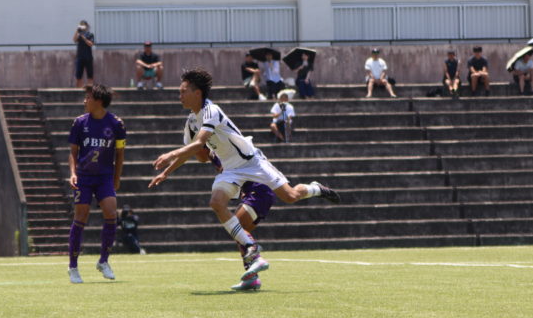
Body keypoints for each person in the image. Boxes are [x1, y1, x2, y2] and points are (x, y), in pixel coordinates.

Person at [148, 67, 340, 291]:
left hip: (252, 163)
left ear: (197, 93)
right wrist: (166, 172)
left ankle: (315, 188)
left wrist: (170, 154)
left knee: (290, 196)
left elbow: (199, 144)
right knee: (216, 203)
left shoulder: (211, 110)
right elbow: (193, 152)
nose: (179, 95)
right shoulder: (191, 122)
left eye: (183, 91)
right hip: (231, 170)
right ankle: (252, 251)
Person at [67, 84, 126, 283]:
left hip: (104, 177)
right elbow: (73, 152)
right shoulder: (79, 123)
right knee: (81, 217)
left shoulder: (116, 124)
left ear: (99, 101)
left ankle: (103, 261)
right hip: (83, 177)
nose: (85, 101)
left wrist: (116, 178)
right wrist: (73, 173)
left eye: (88, 97)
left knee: (111, 213)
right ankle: (73, 267)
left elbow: (120, 154)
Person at [199, 147, 275, 291]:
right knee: (239, 233)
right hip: (257, 191)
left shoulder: (222, 150)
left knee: (238, 228)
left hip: (259, 191)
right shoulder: (218, 152)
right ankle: (251, 278)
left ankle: (256, 260)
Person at [72, 20, 95, 89]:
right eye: (81, 25)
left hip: (88, 57)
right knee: (78, 76)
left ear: (87, 26)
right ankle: (78, 91)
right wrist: (77, 30)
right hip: (80, 57)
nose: (82, 27)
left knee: (90, 76)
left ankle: (90, 91)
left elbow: (91, 44)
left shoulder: (90, 34)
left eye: (83, 25)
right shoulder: (79, 35)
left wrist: (84, 38)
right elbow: (74, 40)